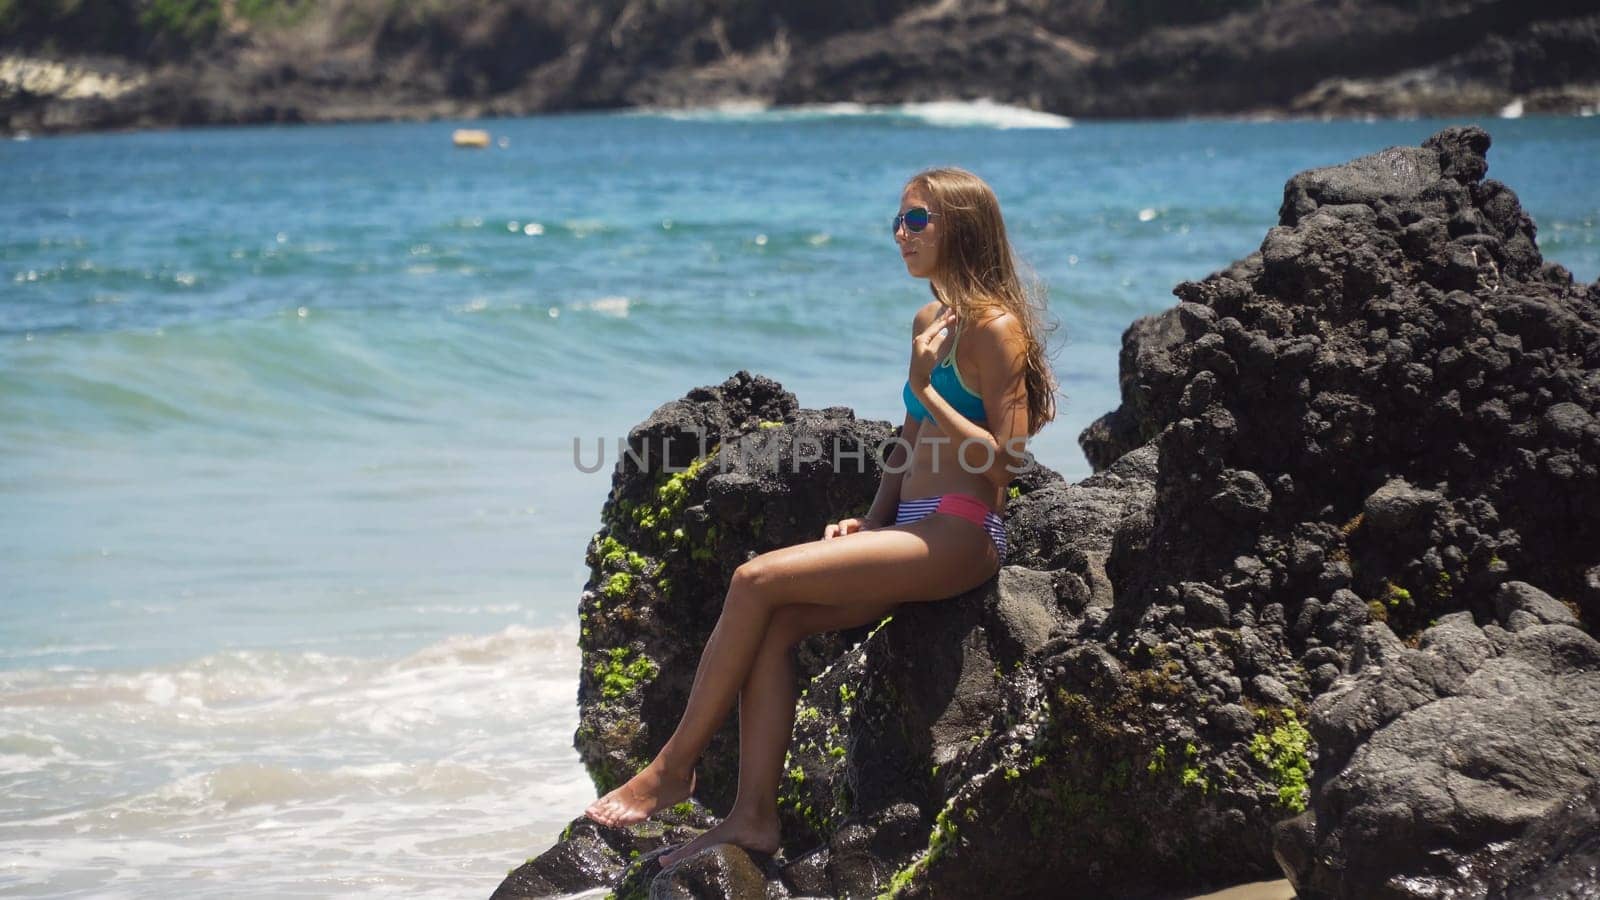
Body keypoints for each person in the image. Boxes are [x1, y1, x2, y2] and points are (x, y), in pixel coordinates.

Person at [582, 166, 1059, 867]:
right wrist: (872, 521)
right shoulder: (932, 320)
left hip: (962, 531)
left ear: (961, 225)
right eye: (897, 220)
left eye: (917, 220)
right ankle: (753, 817)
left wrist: (929, 386)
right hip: (912, 526)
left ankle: (672, 770)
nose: (901, 233)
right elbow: (907, 441)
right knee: (774, 626)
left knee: (753, 579)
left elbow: (1004, 462)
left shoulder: (996, 329)